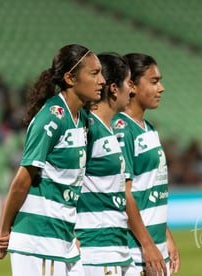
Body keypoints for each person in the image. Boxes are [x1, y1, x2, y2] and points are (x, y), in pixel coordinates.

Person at [0, 44, 105, 276]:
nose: (101, 80)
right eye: (94, 73)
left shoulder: (81, 118)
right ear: (70, 78)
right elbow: (22, 181)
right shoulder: (51, 118)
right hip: (39, 240)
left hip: (62, 238)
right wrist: (4, 231)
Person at [111, 53, 180, 276]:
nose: (161, 88)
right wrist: (147, 245)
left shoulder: (149, 128)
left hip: (156, 246)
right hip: (135, 251)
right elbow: (125, 193)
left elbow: (149, 189)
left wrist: (165, 235)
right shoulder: (122, 129)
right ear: (131, 85)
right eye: (153, 81)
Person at [74, 53, 134, 276]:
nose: (132, 90)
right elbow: (60, 180)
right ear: (114, 89)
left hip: (117, 247)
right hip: (96, 251)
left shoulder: (108, 129)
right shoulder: (88, 129)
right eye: (129, 83)